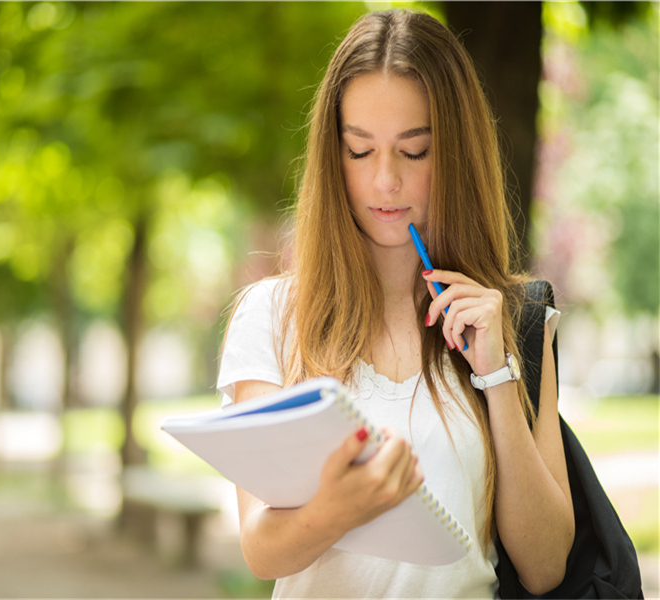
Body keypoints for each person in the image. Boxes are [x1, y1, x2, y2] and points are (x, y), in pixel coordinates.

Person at [217, 9, 574, 599]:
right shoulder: (273, 316)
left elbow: (546, 566)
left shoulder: (512, 319)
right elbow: (260, 548)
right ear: (333, 155)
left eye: (415, 151)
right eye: (360, 151)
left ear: (456, 152)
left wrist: (497, 376)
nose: (385, 181)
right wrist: (338, 507)